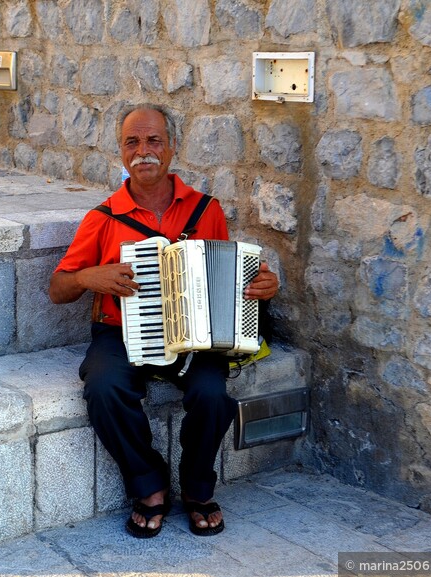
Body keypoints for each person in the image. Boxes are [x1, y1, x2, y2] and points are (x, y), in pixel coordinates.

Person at [48, 104, 279, 538]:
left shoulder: (205, 210)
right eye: (132, 142)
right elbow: (58, 288)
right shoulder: (102, 218)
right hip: (119, 332)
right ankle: (149, 485)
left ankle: (196, 487)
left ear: (172, 147)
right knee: (103, 388)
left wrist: (261, 284)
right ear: (120, 152)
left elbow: (225, 277)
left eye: (154, 140)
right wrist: (86, 276)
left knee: (213, 393)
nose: (143, 151)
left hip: (195, 335)